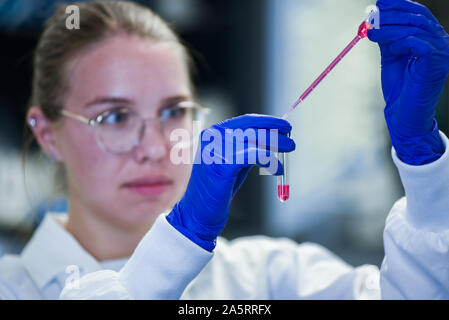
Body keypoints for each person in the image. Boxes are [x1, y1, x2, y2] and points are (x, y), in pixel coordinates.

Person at [0, 0, 448, 300]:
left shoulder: (269, 275)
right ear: (47, 133)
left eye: (174, 111)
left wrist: (422, 158)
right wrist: (180, 238)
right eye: (114, 117)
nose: (157, 147)